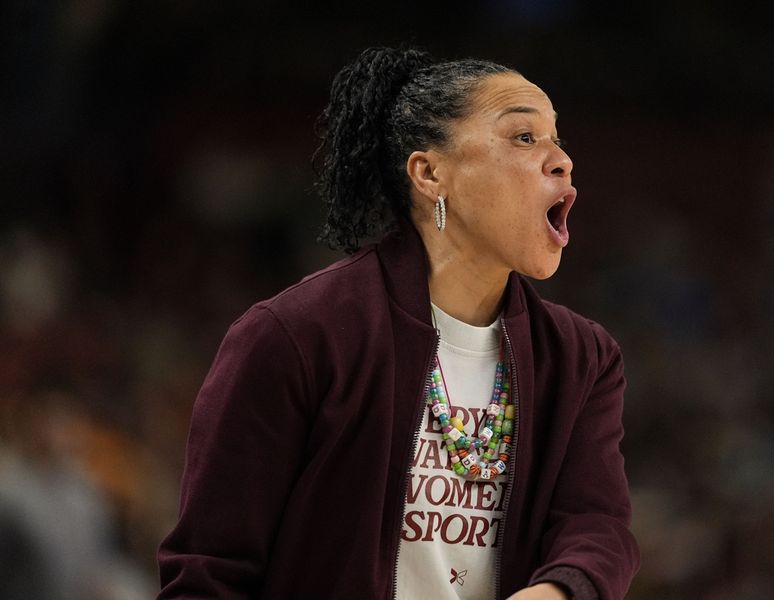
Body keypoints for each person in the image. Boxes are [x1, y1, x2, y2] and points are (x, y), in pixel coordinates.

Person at [157, 46, 640, 599]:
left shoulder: (583, 358)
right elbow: (207, 572)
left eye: (557, 139)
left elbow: (599, 527)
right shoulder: (296, 336)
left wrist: (558, 591)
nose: (561, 159)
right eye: (524, 137)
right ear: (430, 173)